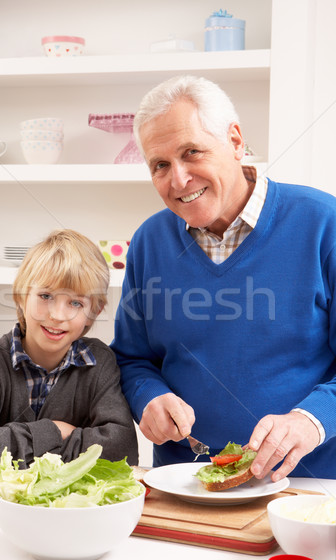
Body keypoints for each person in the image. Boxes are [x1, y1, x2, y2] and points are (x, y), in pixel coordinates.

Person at [111, 74, 336, 480]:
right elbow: (131, 358)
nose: (178, 180)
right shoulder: (148, 241)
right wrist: (149, 397)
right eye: (160, 165)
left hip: (306, 487)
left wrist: (308, 420)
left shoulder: (323, 223)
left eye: (192, 152)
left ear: (235, 141)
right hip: (184, 481)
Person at [0, 229, 138, 480]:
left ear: (95, 310)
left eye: (76, 303)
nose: (57, 315)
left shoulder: (100, 362)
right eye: (45, 296)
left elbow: (123, 452)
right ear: (21, 297)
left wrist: (7, 446)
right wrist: (55, 432)